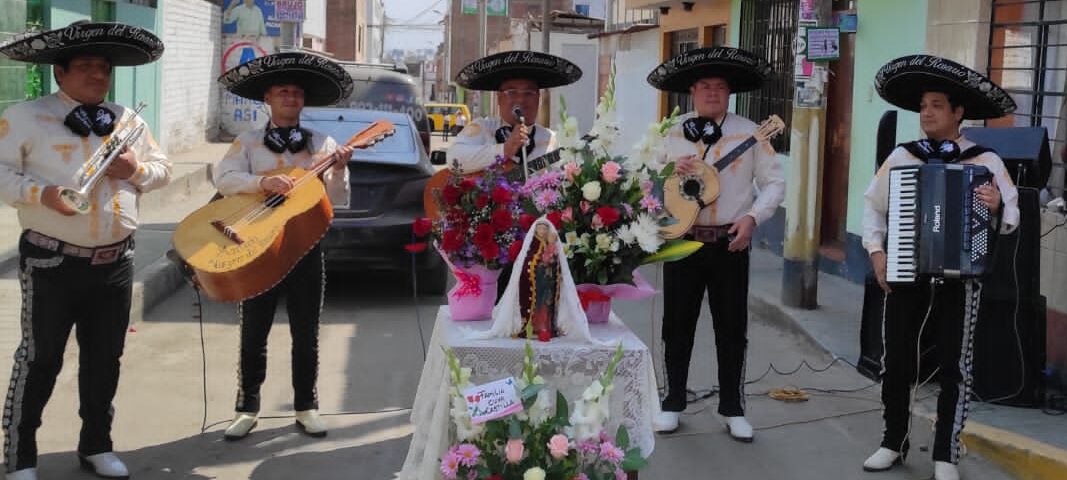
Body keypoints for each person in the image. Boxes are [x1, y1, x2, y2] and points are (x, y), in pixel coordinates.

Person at [0, 21, 169, 480]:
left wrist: (136, 170)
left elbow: (162, 170)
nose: (97, 75)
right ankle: (20, 457)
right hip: (52, 260)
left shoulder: (129, 120)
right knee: (40, 359)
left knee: (104, 359)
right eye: (86, 67)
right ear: (60, 72)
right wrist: (41, 195)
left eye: (103, 68)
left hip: (115, 261)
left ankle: (96, 445)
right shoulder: (23, 117)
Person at [861, 54, 1019, 480]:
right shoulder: (902, 156)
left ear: (957, 112)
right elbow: (872, 210)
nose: (926, 113)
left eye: (935, 105)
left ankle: (946, 453)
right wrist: (878, 253)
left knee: (955, 365)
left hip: (960, 277)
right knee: (896, 361)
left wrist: (997, 205)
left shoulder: (986, 162)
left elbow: (1012, 217)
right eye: (923, 106)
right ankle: (892, 442)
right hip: (906, 270)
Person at [214, 52, 355, 441]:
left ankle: (306, 406)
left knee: (306, 332)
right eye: (282, 92)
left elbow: (338, 200)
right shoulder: (247, 141)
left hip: (305, 247)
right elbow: (224, 177)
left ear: (303, 101)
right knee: (253, 331)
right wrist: (262, 183)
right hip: (257, 246)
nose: (290, 97)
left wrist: (340, 168)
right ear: (268, 99)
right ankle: (246, 408)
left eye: (296, 92)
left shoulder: (322, 143)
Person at [646, 47, 785, 440]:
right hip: (682, 242)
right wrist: (669, 172)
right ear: (692, 90)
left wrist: (752, 218)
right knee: (676, 325)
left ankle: (733, 407)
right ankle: (672, 402)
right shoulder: (669, 133)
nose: (712, 92)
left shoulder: (751, 132)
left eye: (720, 87)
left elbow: (775, 182)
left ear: (729, 93)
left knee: (731, 326)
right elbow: (644, 179)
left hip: (729, 242)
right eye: (705, 85)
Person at [447, 51, 582, 298]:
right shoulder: (482, 129)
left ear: (539, 99)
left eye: (529, 93)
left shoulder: (551, 141)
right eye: (511, 92)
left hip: (537, 246)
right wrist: (503, 150)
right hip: (490, 247)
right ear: (499, 99)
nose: (521, 99)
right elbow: (454, 159)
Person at [518, 221, 560, 340]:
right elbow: (530, 261)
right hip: (536, 281)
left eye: (544, 229)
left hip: (547, 281)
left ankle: (545, 327)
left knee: (545, 304)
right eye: (540, 229)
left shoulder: (550, 244)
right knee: (537, 304)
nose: (542, 231)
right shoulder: (533, 244)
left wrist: (551, 249)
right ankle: (534, 326)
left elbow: (553, 261)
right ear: (535, 230)